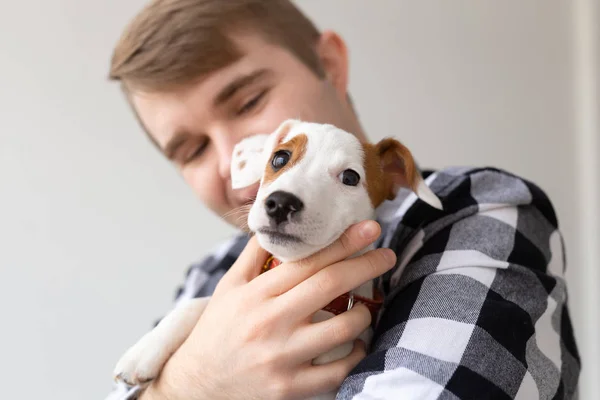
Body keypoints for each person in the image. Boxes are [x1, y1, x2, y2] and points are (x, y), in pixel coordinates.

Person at [105, 1, 580, 399]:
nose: (233, 160)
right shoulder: (208, 275)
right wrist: (190, 386)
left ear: (329, 66)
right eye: (193, 150)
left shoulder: (478, 211)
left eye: (248, 102)